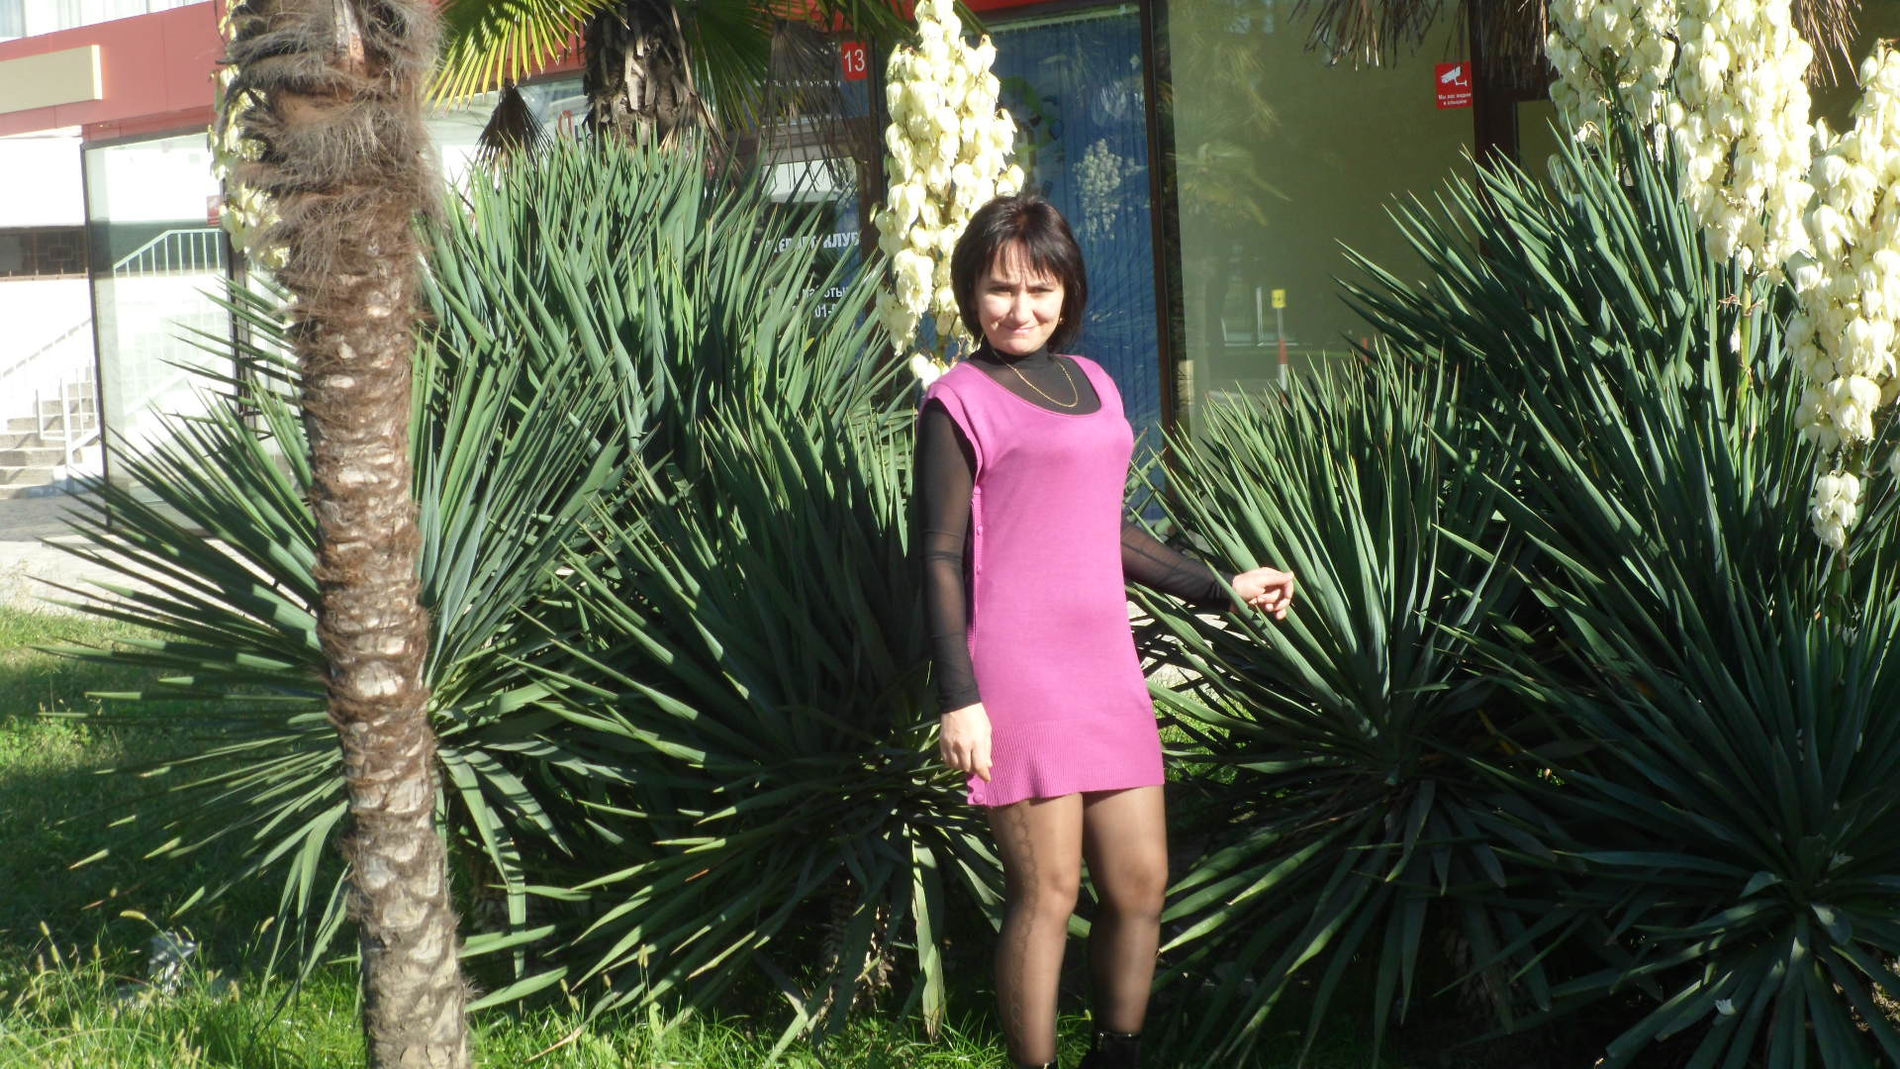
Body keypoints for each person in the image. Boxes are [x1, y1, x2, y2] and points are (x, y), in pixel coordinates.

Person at [916, 194, 1296, 1069]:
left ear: (1067, 291)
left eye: (1039, 288)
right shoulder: (956, 401)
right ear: (970, 292)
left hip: (1103, 669)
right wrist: (959, 698)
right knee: (1048, 891)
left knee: (1140, 881)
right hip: (1016, 673)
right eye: (1000, 288)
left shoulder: (1095, 383)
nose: (1020, 308)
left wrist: (1221, 586)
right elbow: (936, 555)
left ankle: (1116, 1055)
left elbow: (1108, 530)